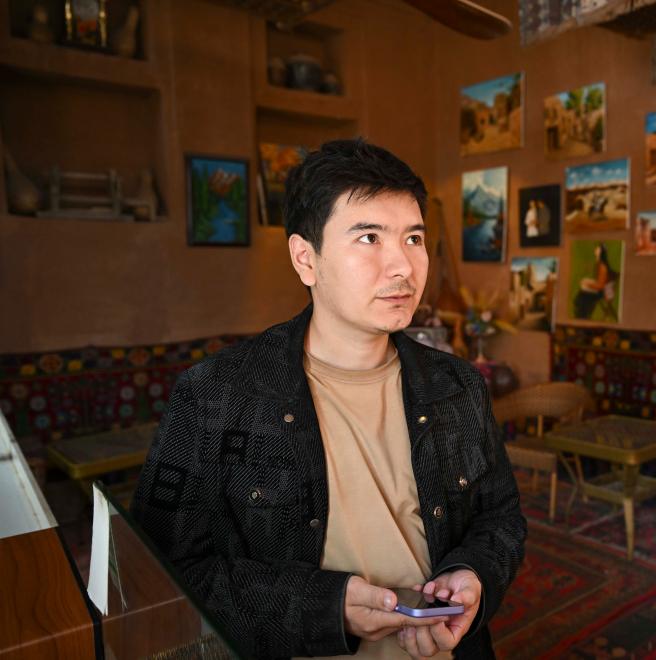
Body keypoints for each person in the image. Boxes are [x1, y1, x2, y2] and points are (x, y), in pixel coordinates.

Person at [132, 139, 527, 659]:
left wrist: (471, 573)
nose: (403, 267)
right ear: (306, 258)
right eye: (369, 237)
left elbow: (501, 518)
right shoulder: (217, 396)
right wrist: (324, 607)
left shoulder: (457, 385)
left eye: (413, 238)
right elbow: (162, 570)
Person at [573, 242, 614, 319]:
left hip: (601, 292)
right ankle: (581, 309)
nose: (595, 250)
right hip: (600, 289)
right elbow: (598, 281)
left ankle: (582, 313)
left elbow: (600, 286)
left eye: (598, 249)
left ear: (601, 252)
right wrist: (587, 282)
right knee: (584, 284)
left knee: (583, 289)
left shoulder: (602, 267)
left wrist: (588, 284)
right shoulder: (599, 264)